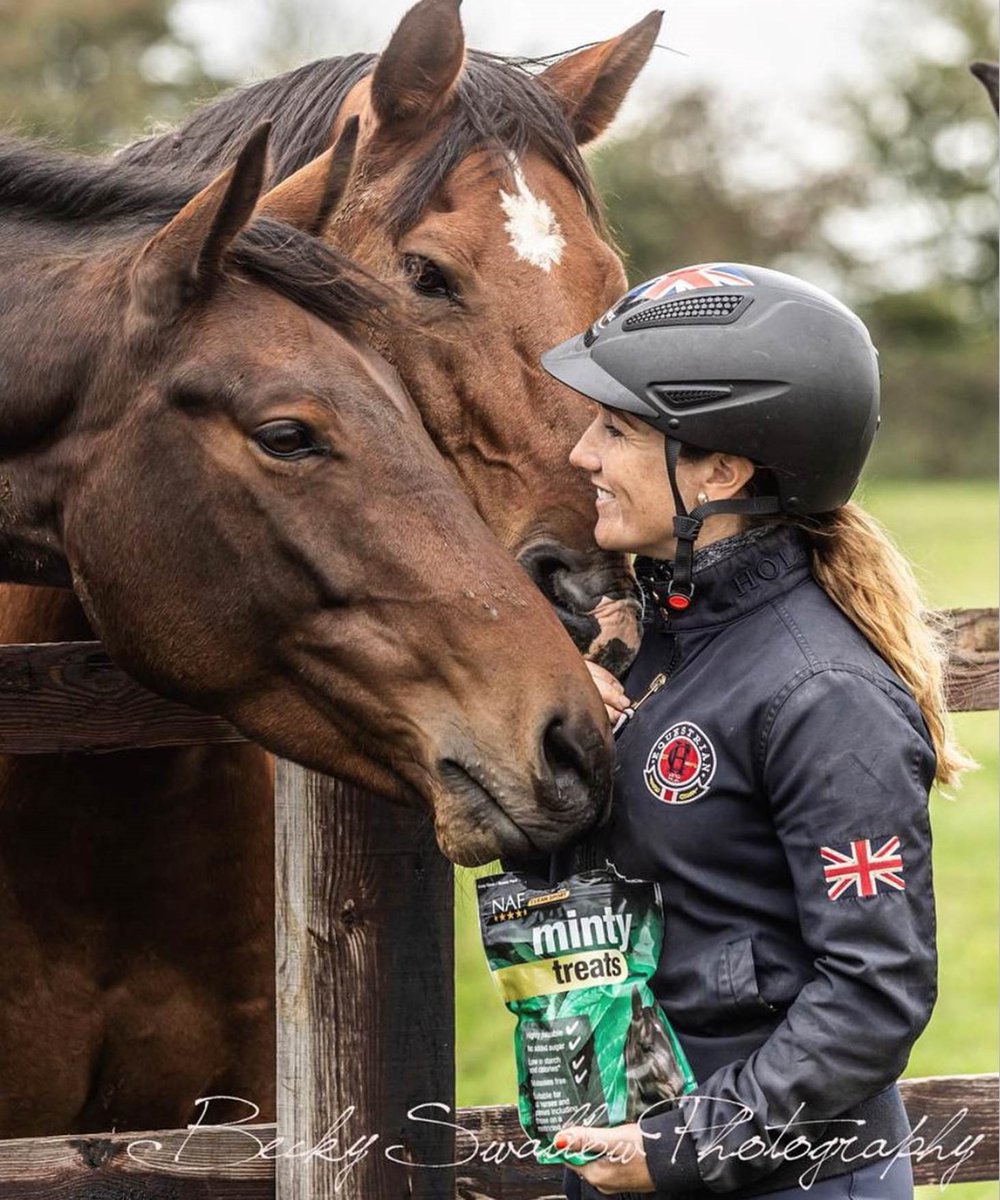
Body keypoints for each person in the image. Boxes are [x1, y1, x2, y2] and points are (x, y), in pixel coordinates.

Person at [534, 263, 972, 1199]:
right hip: (642, 1150)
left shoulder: (825, 694)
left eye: (616, 430)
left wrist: (685, 1149)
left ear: (723, 472)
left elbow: (873, 989)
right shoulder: (657, 636)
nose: (581, 455)